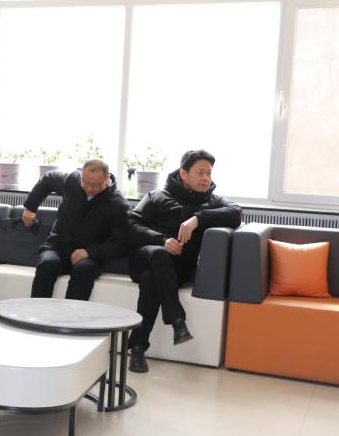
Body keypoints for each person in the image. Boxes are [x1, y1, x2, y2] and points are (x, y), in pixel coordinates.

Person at [126, 149, 242, 373]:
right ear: (183, 173)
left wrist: (197, 218)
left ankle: (137, 348)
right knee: (159, 256)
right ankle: (177, 320)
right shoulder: (156, 197)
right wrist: (161, 240)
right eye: (200, 172)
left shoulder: (212, 201)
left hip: (175, 270)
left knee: (151, 280)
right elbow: (130, 226)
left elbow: (236, 213)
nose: (206, 178)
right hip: (145, 258)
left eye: (209, 173)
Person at [21, 159, 130, 301]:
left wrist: (89, 252)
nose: (89, 188)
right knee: (47, 264)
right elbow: (47, 179)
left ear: (107, 179)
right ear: (81, 175)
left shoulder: (119, 205)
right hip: (58, 245)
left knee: (83, 270)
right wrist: (30, 207)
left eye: (95, 185)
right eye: (85, 183)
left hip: (89, 255)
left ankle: (71, 315)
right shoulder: (72, 180)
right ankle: (36, 312)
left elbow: (121, 244)